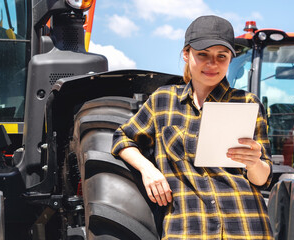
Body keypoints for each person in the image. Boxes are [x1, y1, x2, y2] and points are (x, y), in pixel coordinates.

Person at [111, 15, 273, 240]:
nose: (212, 64)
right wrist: (148, 170)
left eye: (221, 57)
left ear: (230, 60)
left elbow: (263, 179)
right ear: (186, 55)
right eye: (203, 55)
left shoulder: (248, 103)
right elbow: (122, 138)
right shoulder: (163, 101)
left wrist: (254, 162)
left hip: (246, 226)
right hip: (187, 228)